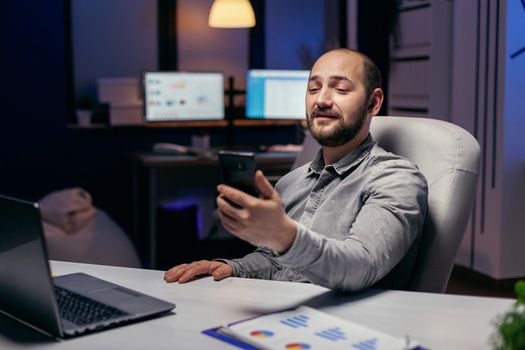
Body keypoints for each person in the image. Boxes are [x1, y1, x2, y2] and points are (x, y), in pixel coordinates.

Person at [164, 49, 428, 291]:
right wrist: (233, 268)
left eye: (340, 89)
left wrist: (283, 235)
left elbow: (360, 267)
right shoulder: (293, 182)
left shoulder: (396, 179)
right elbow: (278, 261)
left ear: (373, 103)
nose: (322, 100)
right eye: (313, 88)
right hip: (286, 317)